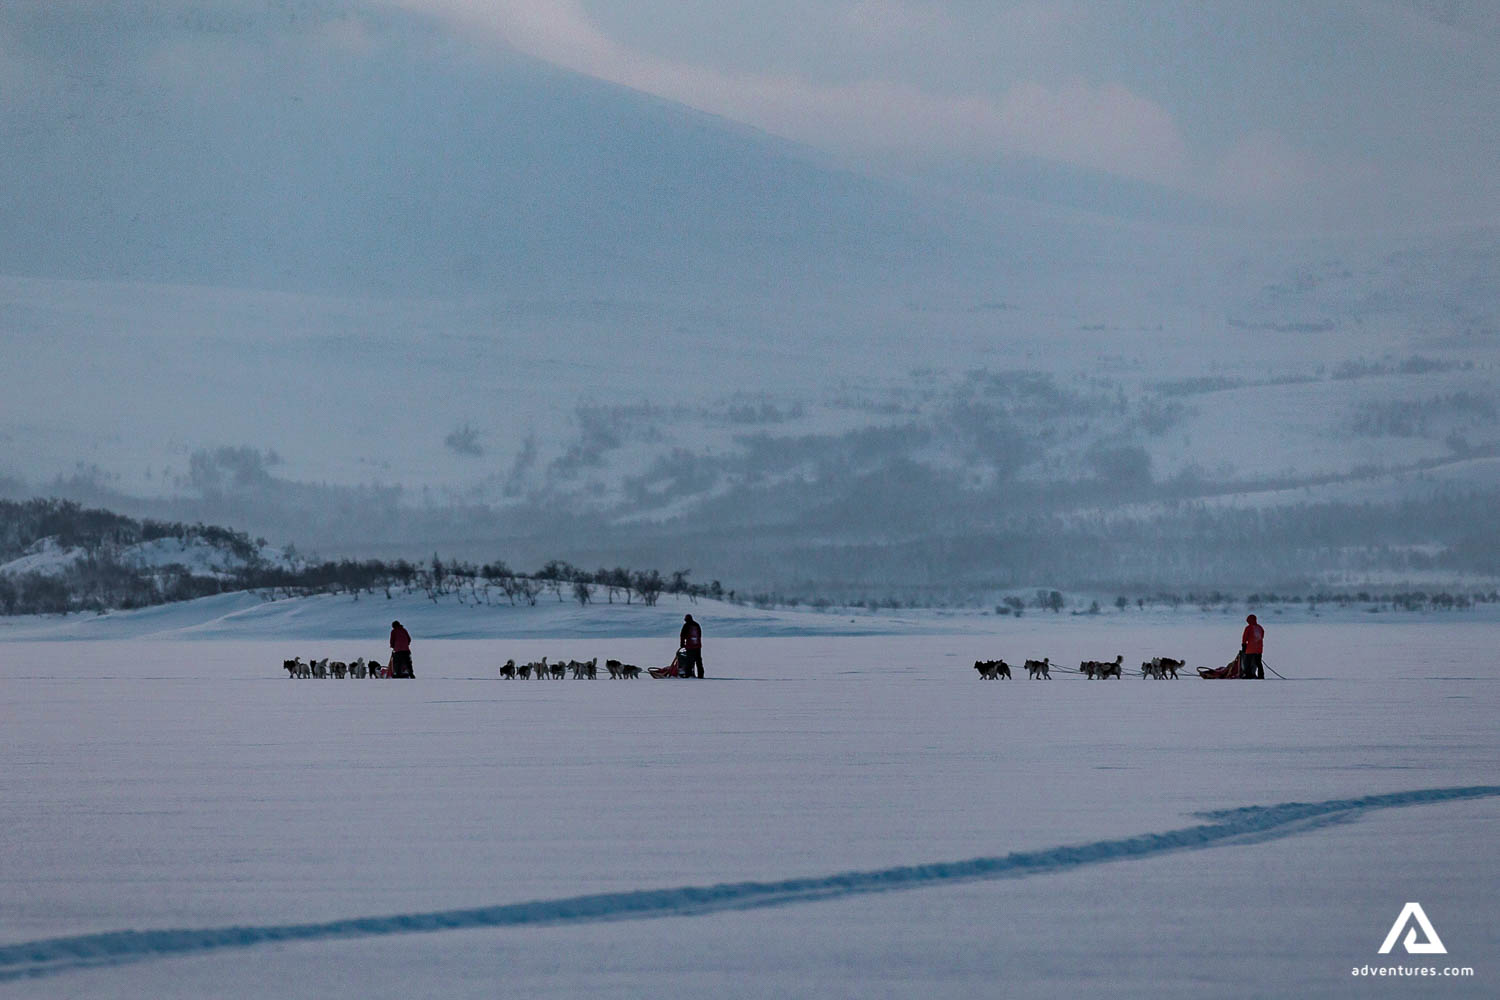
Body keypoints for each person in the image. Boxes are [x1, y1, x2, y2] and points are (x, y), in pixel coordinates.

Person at [1240, 614, 1264, 679]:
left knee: (1247, 662)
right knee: (1258, 663)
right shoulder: (1260, 627)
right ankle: (1261, 675)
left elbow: (1245, 637)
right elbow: (1262, 636)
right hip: (1259, 649)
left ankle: (1248, 675)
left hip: (1250, 649)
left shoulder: (1248, 628)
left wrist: (1244, 645)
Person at [679, 614, 703, 678]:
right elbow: (699, 635)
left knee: (689, 661)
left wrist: (682, 644)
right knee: (698, 661)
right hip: (697, 646)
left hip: (690, 646)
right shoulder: (696, 625)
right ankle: (701, 675)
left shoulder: (686, 625)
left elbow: (682, 636)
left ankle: (688, 675)